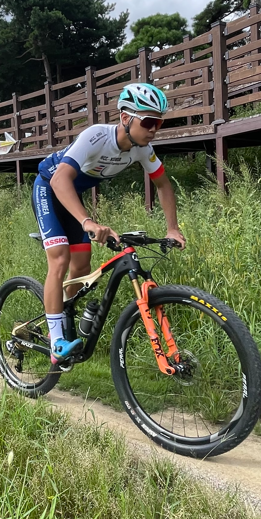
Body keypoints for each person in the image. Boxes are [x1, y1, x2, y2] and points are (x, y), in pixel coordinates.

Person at [33, 82, 185, 364]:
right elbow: (59, 180)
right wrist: (87, 221)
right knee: (60, 259)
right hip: (49, 186)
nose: (154, 129)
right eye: (149, 121)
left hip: (71, 195)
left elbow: (163, 185)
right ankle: (57, 343)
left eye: (159, 123)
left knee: (82, 264)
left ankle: (65, 318)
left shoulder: (142, 149)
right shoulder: (96, 137)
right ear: (126, 118)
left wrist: (172, 228)